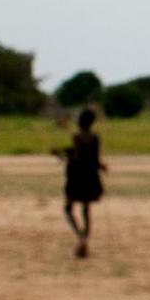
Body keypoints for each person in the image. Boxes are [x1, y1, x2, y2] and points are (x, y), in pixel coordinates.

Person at [56, 109, 106, 258]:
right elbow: (95, 159)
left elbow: (77, 157)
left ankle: (80, 237)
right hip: (91, 177)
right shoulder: (95, 138)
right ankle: (84, 239)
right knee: (86, 210)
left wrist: (64, 155)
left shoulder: (77, 137)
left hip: (77, 177)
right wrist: (101, 166)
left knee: (68, 208)